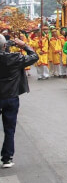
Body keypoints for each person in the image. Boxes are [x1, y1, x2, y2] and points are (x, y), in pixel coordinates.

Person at [0, 35, 39, 168]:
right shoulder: (15, 58)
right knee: (9, 129)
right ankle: (7, 158)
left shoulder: (12, 57)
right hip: (11, 96)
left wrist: (7, 44)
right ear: (4, 46)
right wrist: (24, 45)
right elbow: (34, 56)